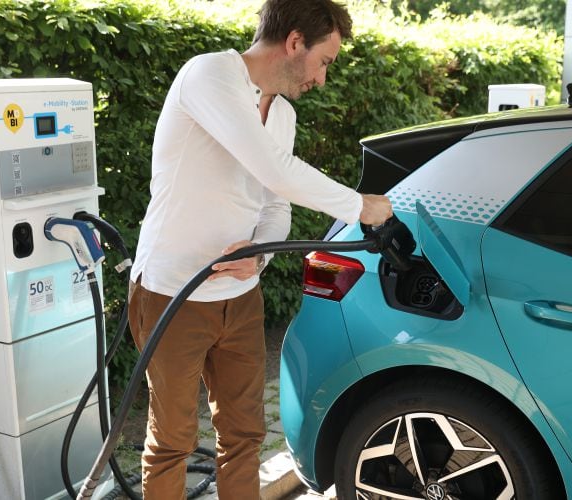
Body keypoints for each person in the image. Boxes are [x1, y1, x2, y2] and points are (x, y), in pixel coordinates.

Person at [126, 0, 394, 497]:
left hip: (241, 297)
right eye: (325, 61)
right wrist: (361, 206)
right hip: (171, 293)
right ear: (294, 43)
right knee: (172, 442)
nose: (323, 78)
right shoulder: (209, 75)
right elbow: (277, 172)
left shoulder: (283, 116)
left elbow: (273, 204)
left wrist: (260, 253)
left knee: (244, 435)